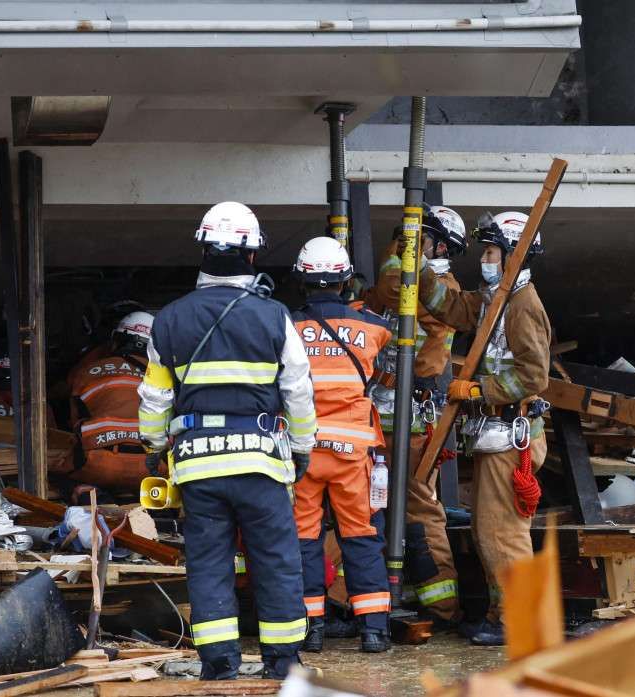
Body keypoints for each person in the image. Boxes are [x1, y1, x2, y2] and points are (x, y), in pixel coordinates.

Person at [137, 201, 317, 680]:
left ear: (202, 252)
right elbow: (298, 393)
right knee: (276, 558)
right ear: (253, 257)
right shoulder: (274, 316)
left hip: (197, 466)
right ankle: (281, 661)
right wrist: (301, 451)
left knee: (209, 560)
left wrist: (154, 447)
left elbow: (155, 398)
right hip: (261, 464)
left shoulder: (169, 319)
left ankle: (219, 663)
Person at [416, 211, 551, 646]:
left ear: (514, 256)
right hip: (495, 434)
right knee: (488, 531)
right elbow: (452, 306)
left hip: (511, 434)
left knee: (502, 533)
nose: (486, 260)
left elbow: (533, 376)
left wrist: (478, 391)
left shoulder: (523, 304)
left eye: (492, 252)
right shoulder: (497, 299)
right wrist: (416, 267)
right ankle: (500, 616)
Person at [364, 205, 468, 628]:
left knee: (419, 509)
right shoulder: (408, 282)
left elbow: (392, 286)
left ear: (437, 245)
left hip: (411, 419)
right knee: (363, 507)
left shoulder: (439, 286)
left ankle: (441, 608)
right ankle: (358, 600)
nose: (405, 245)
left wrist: (402, 247)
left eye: (416, 238)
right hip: (379, 410)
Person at [289, 237, 393, 653]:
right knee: (362, 537)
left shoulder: (287, 326)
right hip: (353, 453)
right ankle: (373, 631)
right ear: (347, 279)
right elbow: (408, 358)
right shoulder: (373, 327)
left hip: (303, 451)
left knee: (303, 541)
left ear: (302, 279)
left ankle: (311, 630)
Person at [66, 312, 158, 492]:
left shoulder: (86, 371)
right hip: (153, 469)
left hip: (98, 465)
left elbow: (73, 420)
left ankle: (87, 494)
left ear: (117, 340)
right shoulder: (164, 376)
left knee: (60, 473)